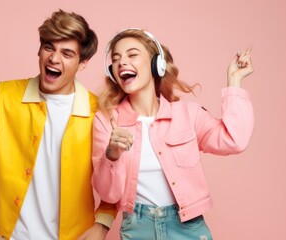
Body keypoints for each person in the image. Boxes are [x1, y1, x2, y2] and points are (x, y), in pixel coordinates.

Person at [0, 10, 116, 240]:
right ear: (39, 50)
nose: (54, 59)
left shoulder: (97, 111)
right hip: (5, 235)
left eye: (67, 53)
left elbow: (115, 174)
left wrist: (103, 224)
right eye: (49, 47)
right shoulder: (5, 94)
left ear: (83, 63)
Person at [91, 28, 254, 240]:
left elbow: (234, 141)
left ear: (155, 64)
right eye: (116, 59)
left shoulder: (189, 114)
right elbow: (108, 194)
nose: (122, 62)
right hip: (138, 228)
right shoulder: (106, 121)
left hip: (187, 227)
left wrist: (234, 82)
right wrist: (111, 154)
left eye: (132, 55)